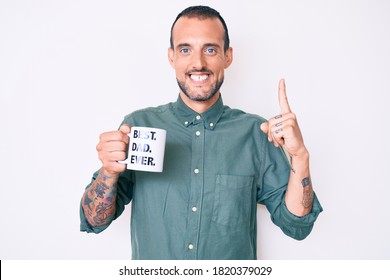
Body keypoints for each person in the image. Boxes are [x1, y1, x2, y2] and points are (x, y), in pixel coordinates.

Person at [80, 5, 323, 260]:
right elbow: (93, 220)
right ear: (171, 57)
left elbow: (297, 226)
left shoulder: (256, 133)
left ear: (227, 56)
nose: (198, 63)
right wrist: (108, 172)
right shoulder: (138, 126)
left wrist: (300, 157)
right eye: (186, 50)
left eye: (210, 49)